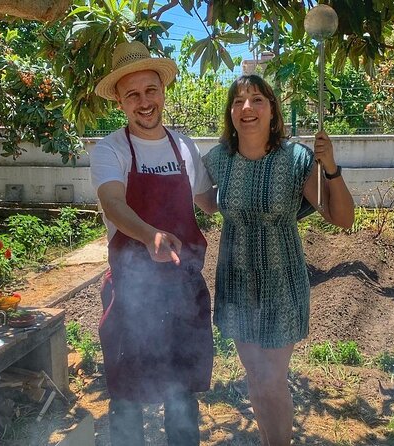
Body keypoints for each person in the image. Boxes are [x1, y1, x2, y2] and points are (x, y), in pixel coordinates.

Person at [202, 74, 355, 445]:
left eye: (257, 99)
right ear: (230, 113)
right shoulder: (218, 159)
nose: (247, 108)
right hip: (236, 282)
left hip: (280, 283)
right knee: (255, 376)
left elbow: (342, 218)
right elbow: (205, 201)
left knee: (272, 379)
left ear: (273, 110)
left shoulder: (296, 159)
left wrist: (330, 166)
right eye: (238, 102)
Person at [89, 41, 217, 446]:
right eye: (133, 95)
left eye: (150, 91)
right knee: (127, 397)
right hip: (132, 294)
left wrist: (258, 183)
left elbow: (209, 202)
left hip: (183, 292)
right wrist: (149, 235)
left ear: (163, 91)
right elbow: (112, 203)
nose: (144, 102)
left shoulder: (184, 146)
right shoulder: (110, 149)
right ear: (120, 103)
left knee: (182, 397)